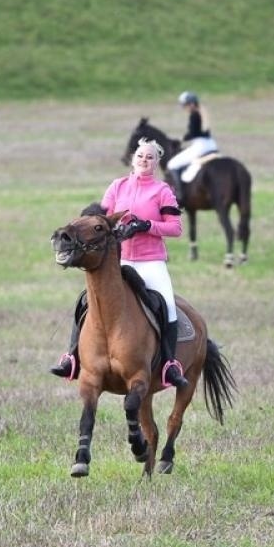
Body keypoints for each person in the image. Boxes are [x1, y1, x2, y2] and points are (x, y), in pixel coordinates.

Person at [50, 138, 189, 388]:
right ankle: (72, 357)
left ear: (156, 163)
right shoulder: (118, 186)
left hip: (151, 262)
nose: (144, 160)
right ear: (133, 159)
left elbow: (175, 228)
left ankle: (169, 365)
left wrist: (147, 225)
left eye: (149, 157)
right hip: (120, 260)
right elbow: (101, 219)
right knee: (85, 300)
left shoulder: (163, 191)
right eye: (140, 156)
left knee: (167, 305)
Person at [165, 91, 219, 183]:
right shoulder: (202, 112)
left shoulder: (194, 115)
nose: (184, 108)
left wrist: (181, 139)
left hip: (200, 146)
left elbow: (193, 133)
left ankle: (179, 193)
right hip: (211, 144)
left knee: (172, 164)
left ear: (192, 104)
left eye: (185, 105)